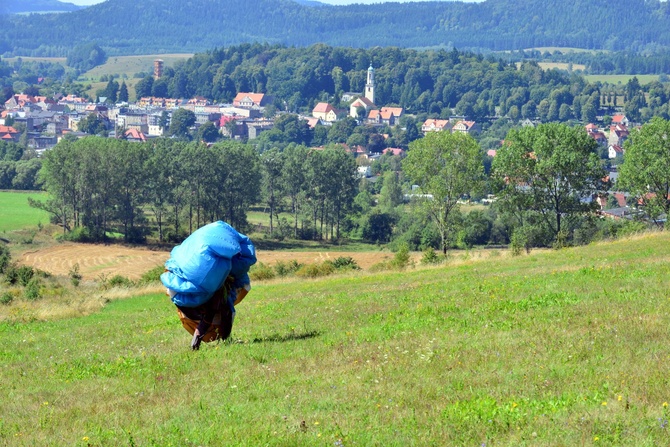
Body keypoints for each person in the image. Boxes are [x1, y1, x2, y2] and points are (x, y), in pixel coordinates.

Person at [160, 221, 256, 349]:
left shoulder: (219, 265)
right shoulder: (217, 280)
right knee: (218, 305)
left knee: (218, 304)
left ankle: (207, 339)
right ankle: (203, 340)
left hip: (182, 286)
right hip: (197, 288)